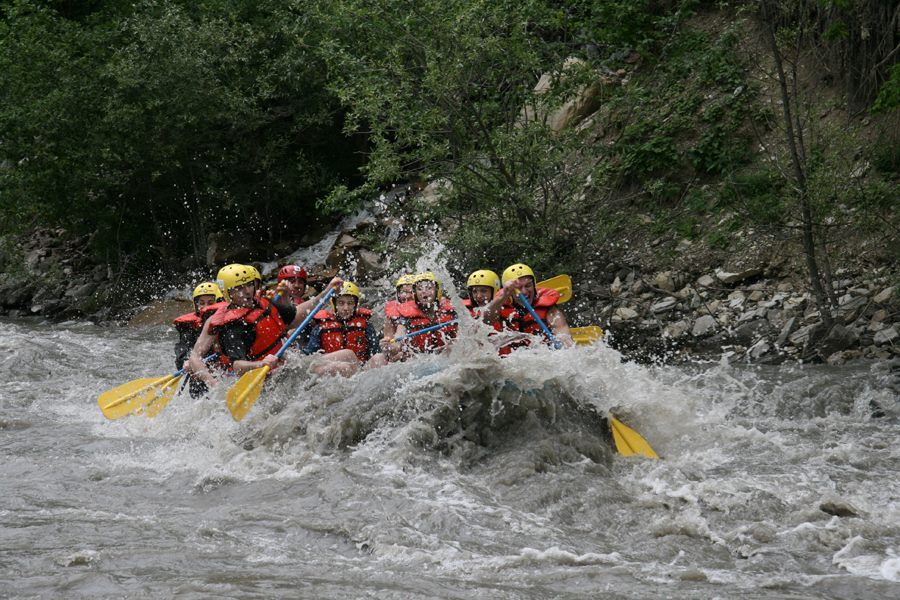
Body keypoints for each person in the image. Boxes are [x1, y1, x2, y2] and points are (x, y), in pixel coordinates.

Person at [188, 263, 342, 386]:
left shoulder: (262, 303)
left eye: (249, 285)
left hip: (287, 364)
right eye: (239, 288)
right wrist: (214, 384)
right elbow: (236, 366)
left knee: (349, 356)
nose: (247, 291)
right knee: (344, 368)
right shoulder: (233, 327)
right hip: (267, 379)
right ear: (228, 293)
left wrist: (326, 292)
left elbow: (295, 317)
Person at [304, 281, 385, 376]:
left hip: (360, 371)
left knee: (380, 357)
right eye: (341, 303)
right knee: (347, 359)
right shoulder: (321, 327)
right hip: (333, 367)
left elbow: (374, 352)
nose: (346, 308)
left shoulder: (365, 325)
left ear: (355, 305)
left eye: (350, 303)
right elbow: (310, 357)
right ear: (334, 305)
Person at [497, 263, 574, 351]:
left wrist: (565, 348)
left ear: (534, 285)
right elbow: (486, 319)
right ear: (509, 291)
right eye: (518, 288)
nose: (524, 292)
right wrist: (500, 299)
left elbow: (564, 337)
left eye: (528, 285)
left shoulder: (550, 310)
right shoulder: (500, 307)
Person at [384, 271, 457, 360]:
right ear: (415, 294)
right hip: (419, 359)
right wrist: (390, 346)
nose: (424, 292)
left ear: (437, 291)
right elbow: (398, 337)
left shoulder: (451, 312)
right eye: (419, 289)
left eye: (429, 288)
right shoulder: (406, 316)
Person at [173, 282, 223, 397]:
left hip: (222, 368)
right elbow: (183, 347)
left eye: (211, 303)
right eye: (201, 303)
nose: (206, 307)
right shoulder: (189, 326)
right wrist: (185, 360)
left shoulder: (228, 320)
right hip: (200, 372)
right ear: (195, 305)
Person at [382, 274, 415, 340]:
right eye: (404, 292)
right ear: (398, 294)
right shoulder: (391, 316)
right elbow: (389, 339)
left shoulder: (427, 309)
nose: (407, 296)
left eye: (411, 292)